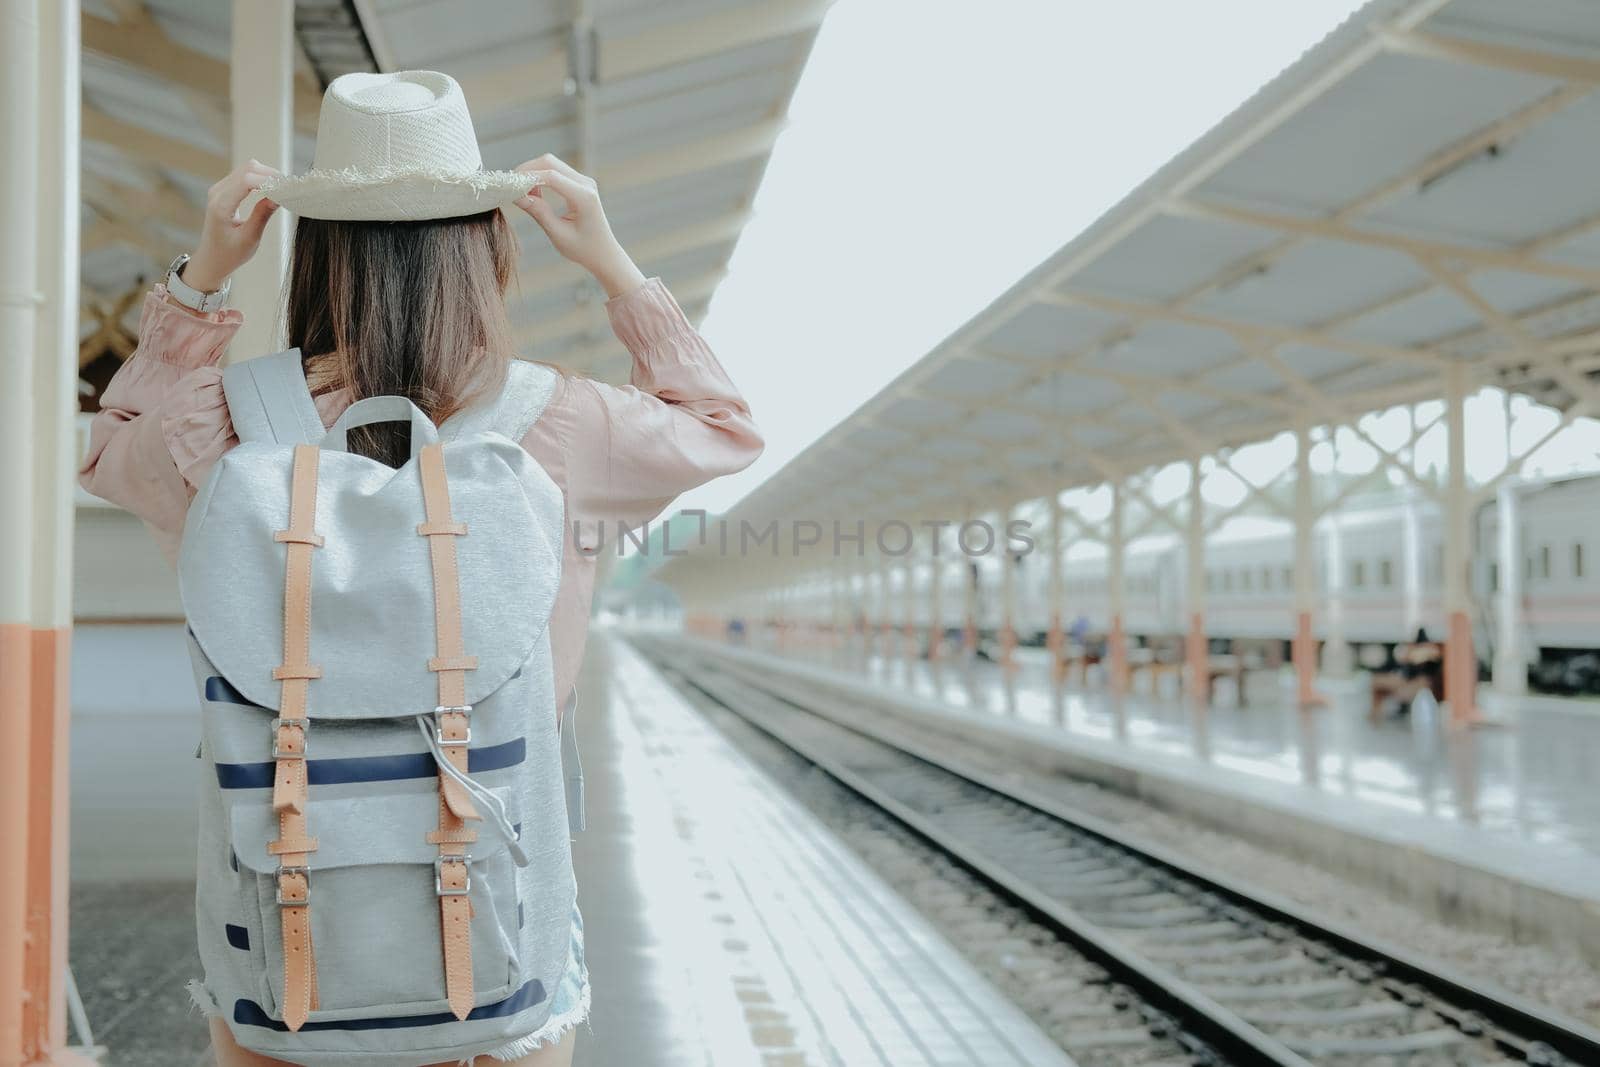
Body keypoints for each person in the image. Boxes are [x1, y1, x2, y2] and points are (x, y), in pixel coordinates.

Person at [78, 70, 763, 1067]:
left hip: (282, 935)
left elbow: (106, 449)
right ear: (491, 245)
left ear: (312, 249)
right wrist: (611, 263)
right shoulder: (562, 424)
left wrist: (200, 282)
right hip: (497, 935)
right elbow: (724, 429)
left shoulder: (220, 427)